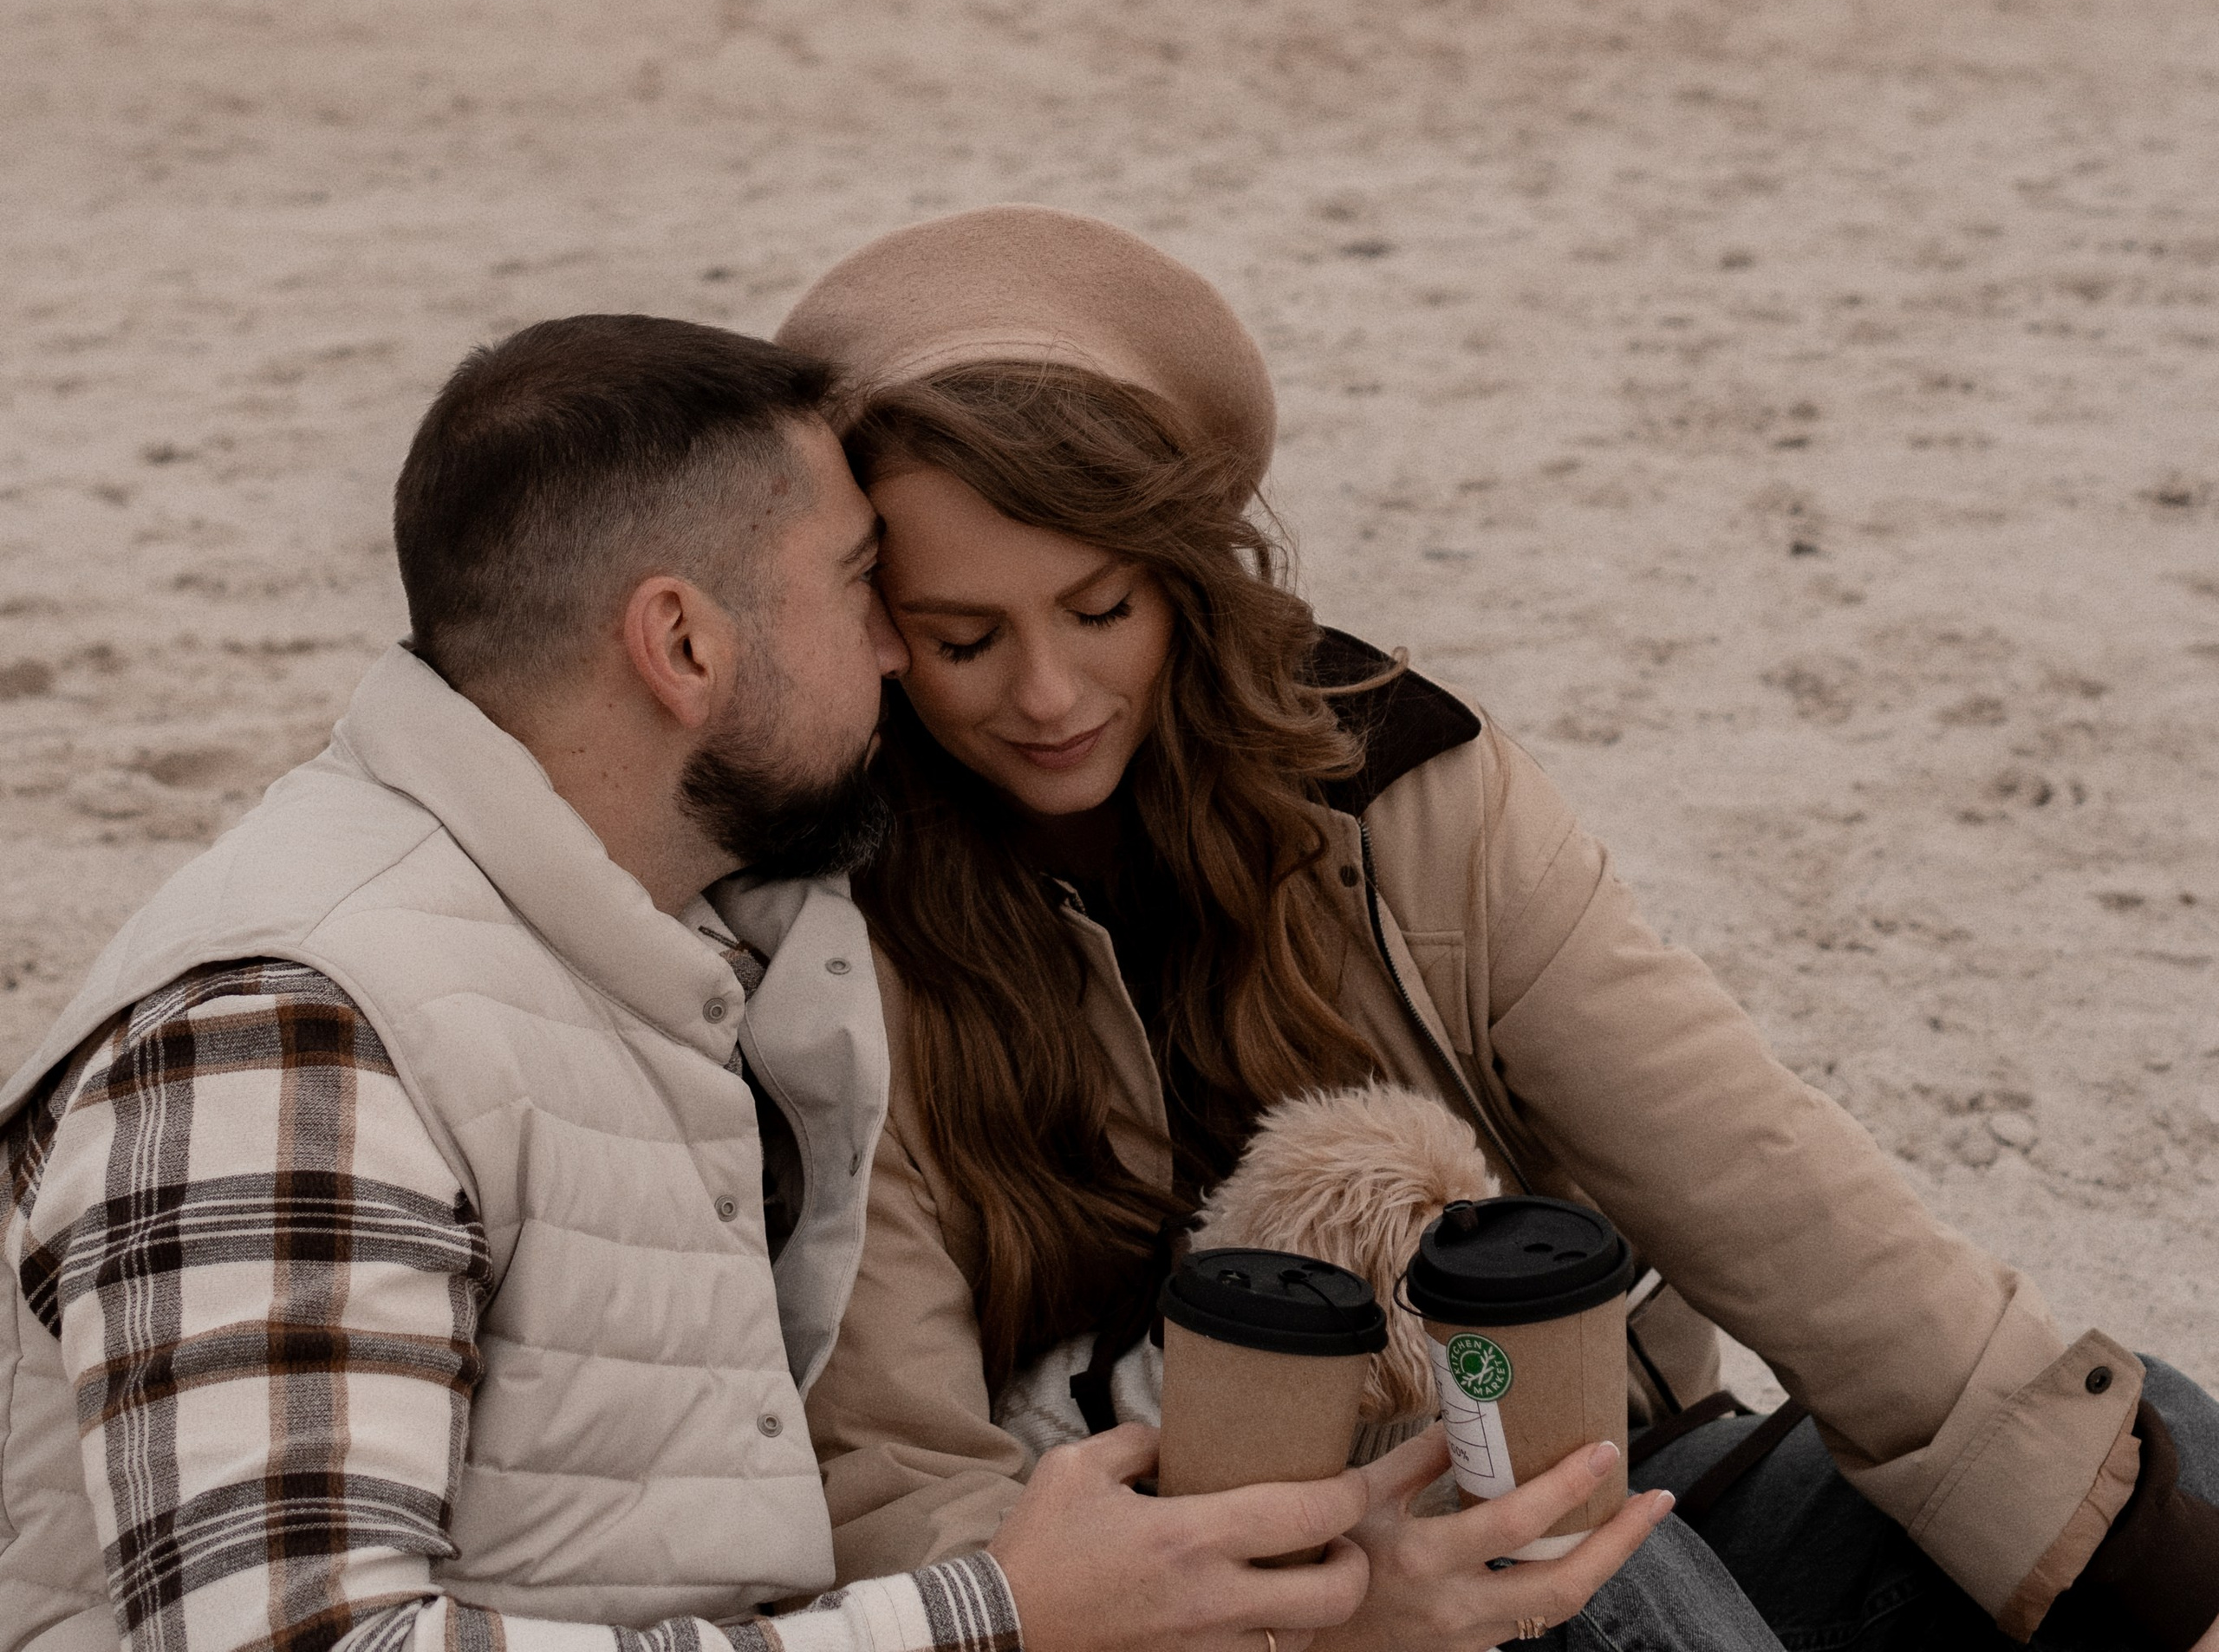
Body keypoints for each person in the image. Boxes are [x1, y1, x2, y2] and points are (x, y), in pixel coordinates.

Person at [779, 208, 2219, 1652]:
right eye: (966, 639)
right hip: (1171, 1617)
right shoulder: (833, 931)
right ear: (878, 631)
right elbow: (907, 1485)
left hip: (1591, 1484)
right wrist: (1328, 1623)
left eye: (1099, 608)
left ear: (1185, 576)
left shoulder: (1404, 788)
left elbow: (1768, 1185)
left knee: (2135, 1447)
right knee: (1581, 1566)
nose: (1047, 695)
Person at [1, 312, 1450, 1652]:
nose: (896, 650)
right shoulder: (286, 1036)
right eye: (857, 588)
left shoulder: (658, 953)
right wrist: (988, 1619)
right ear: (685, 644)